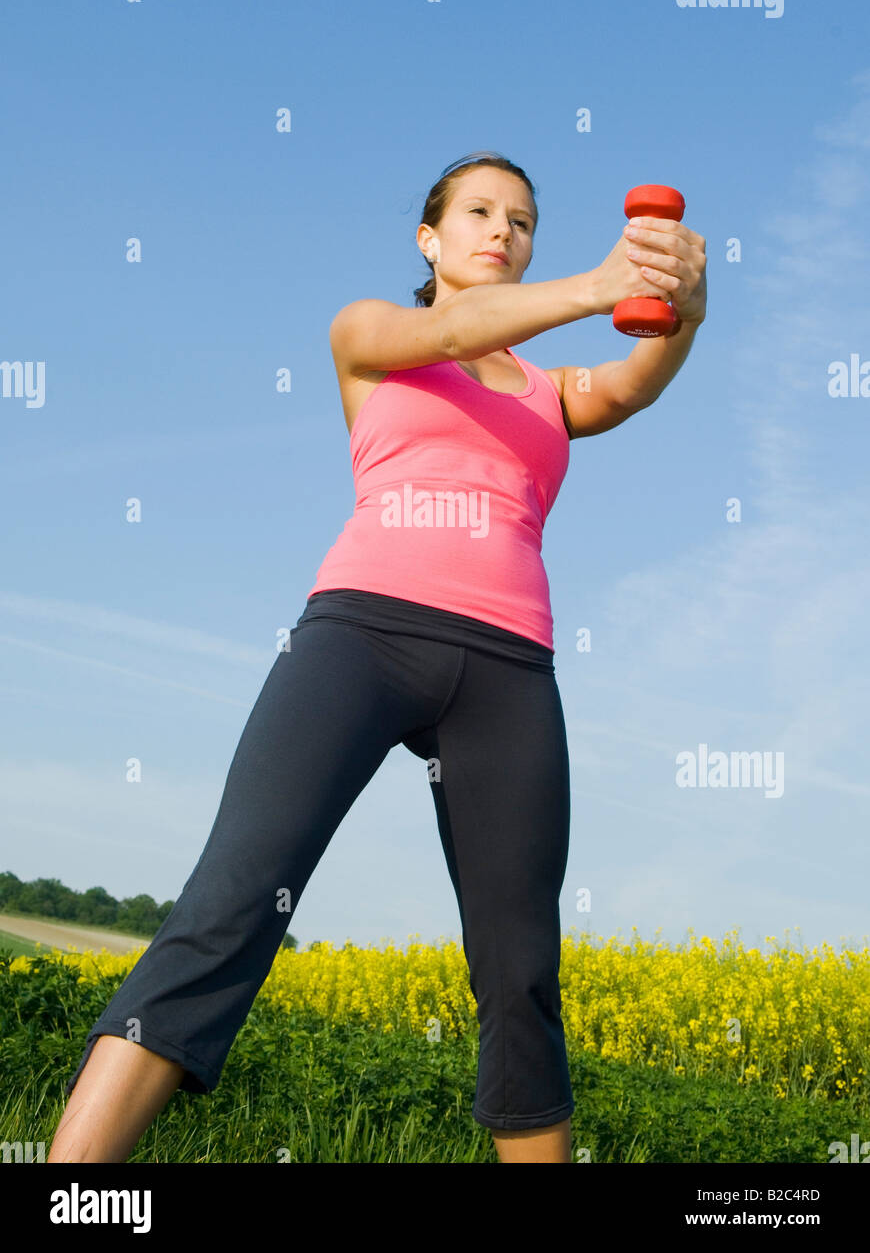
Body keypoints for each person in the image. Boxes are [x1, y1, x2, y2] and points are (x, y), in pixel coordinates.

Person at [47, 151, 707, 1165]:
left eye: (524, 221)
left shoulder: (546, 384)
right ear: (428, 237)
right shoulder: (374, 334)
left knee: (522, 967)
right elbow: (448, 330)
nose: (504, 232)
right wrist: (598, 285)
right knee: (233, 899)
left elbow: (629, 386)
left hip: (510, 667)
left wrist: (682, 310)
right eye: (480, 212)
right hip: (360, 636)